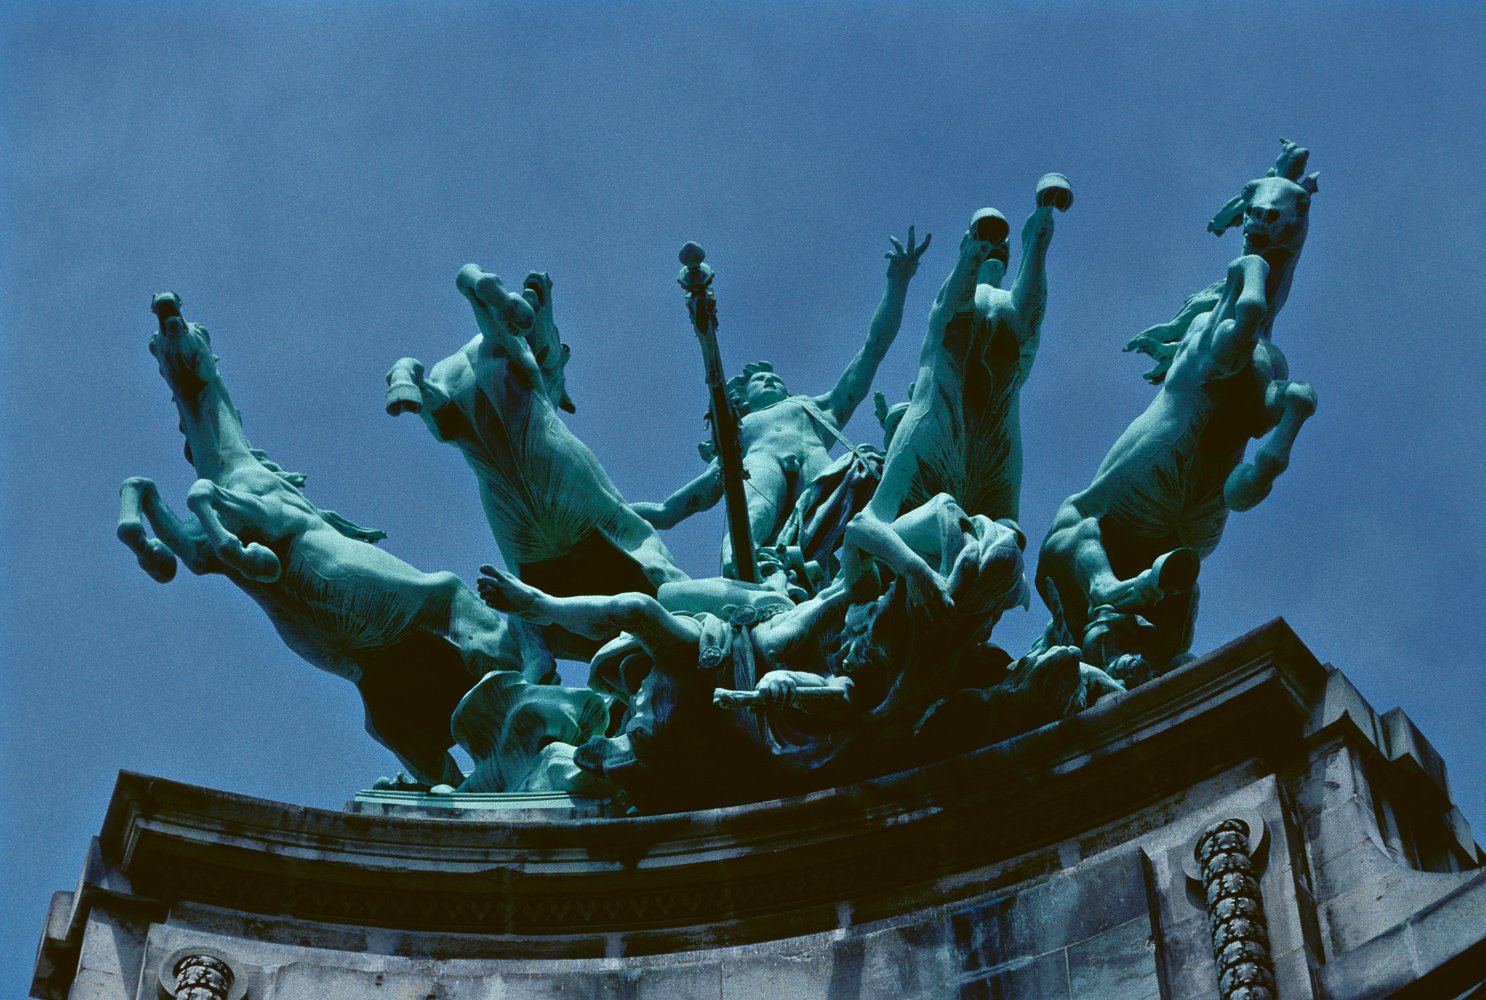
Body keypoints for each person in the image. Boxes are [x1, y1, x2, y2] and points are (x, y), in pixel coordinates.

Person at [633, 228, 931, 574]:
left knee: (846, 523)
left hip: (819, 465)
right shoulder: (738, 430)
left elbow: (873, 348)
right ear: (742, 400)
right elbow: (669, 510)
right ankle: (740, 566)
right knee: (755, 513)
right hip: (759, 464)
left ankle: (851, 577)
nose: (771, 379)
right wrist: (606, 510)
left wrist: (898, 284)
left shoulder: (817, 409)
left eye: (775, 377)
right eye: (760, 380)